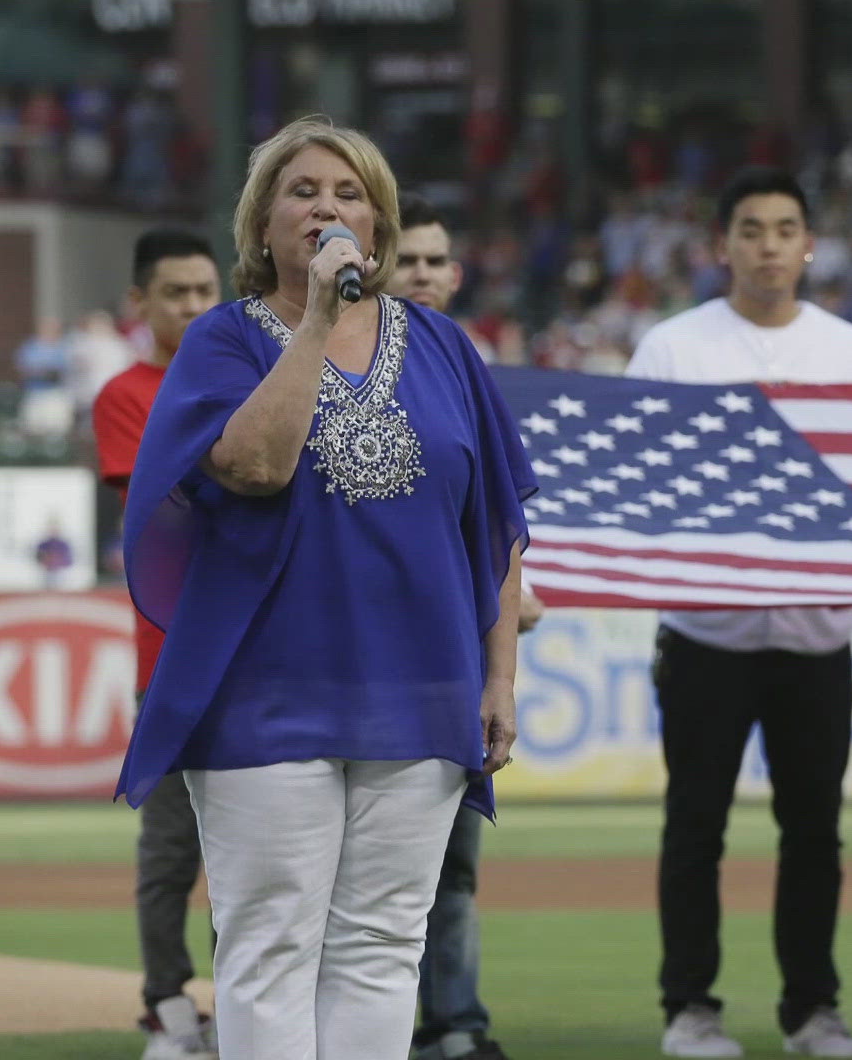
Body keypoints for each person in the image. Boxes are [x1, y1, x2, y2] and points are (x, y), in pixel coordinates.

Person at [115, 115, 536, 1060]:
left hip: (420, 687)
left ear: (379, 228)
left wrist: (498, 677)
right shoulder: (225, 342)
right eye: (302, 191)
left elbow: (499, 525)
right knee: (267, 945)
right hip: (264, 690)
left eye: (350, 195)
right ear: (261, 225)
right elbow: (255, 465)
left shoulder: (442, 345)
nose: (327, 208)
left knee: (385, 949)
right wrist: (313, 318)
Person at [626, 166, 852, 1059]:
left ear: (810, 245)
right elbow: (635, 480)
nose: (769, 245)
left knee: (814, 830)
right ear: (722, 246)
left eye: (785, 229)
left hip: (819, 635)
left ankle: (813, 1010)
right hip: (706, 633)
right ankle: (688, 1009)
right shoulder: (670, 348)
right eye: (751, 229)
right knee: (695, 824)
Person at [393, 193, 546, 1060]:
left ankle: (454, 1024)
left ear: (455, 276)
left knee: (449, 866)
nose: (419, 273)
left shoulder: (470, 372)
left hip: (451, 662)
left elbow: (499, 520)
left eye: (432, 261)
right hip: (379, 653)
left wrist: (504, 619)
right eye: (404, 258)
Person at [92, 228, 223, 1059]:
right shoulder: (125, 393)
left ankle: (246, 1010)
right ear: (138, 304)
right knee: (172, 849)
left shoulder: (248, 376)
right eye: (175, 292)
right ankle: (168, 1009)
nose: (193, 306)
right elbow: (172, 503)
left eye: (206, 291)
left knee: (261, 854)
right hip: (173, 657)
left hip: (254, 655)